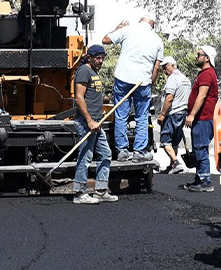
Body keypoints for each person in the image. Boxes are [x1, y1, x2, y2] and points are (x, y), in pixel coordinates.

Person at [102, 16, 163, 161]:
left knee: (121, 115)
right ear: (152, 24)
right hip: (142, 81)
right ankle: (139, 152)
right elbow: (156, 67)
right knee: (142, 117)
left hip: (123, 78)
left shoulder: (128, 30)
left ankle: (122, 151)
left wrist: (117, 29)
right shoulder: (157, 40)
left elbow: (105, 40)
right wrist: (149, 83)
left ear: (140, 21)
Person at [71, 44, 118, 205]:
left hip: (97, 123)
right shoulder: (84, 71)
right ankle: (79, 193)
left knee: (105, 154)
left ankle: (101, 190)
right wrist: (89, 121)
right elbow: (79, 98)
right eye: (98, 58)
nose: (101, 61)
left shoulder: (93, 72)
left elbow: (92, 95)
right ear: (89, 57)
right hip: (86, 123)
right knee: (85, 157)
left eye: (102, 58)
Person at [184, 44, 219, 193]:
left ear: (207, 58)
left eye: (199, 55)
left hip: (203, 119)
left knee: (200, 149)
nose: (196, 57)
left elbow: (202, 96)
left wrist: (192, 114)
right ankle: (199, 179)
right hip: (202, 118)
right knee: (198, 148)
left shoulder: (206, 74)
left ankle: (205, 181)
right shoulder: (206, 73)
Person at [156, 57, 192, 174]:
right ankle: (172, 166)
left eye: (165, 67)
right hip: (182, 113)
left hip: (172, 113)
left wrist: (162, 114)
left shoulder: (172, 79)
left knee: (165, 140)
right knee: (174, 141)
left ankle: (176, 163)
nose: (164, 70)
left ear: (172, 65)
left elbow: (169, 98)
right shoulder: (185, 79)